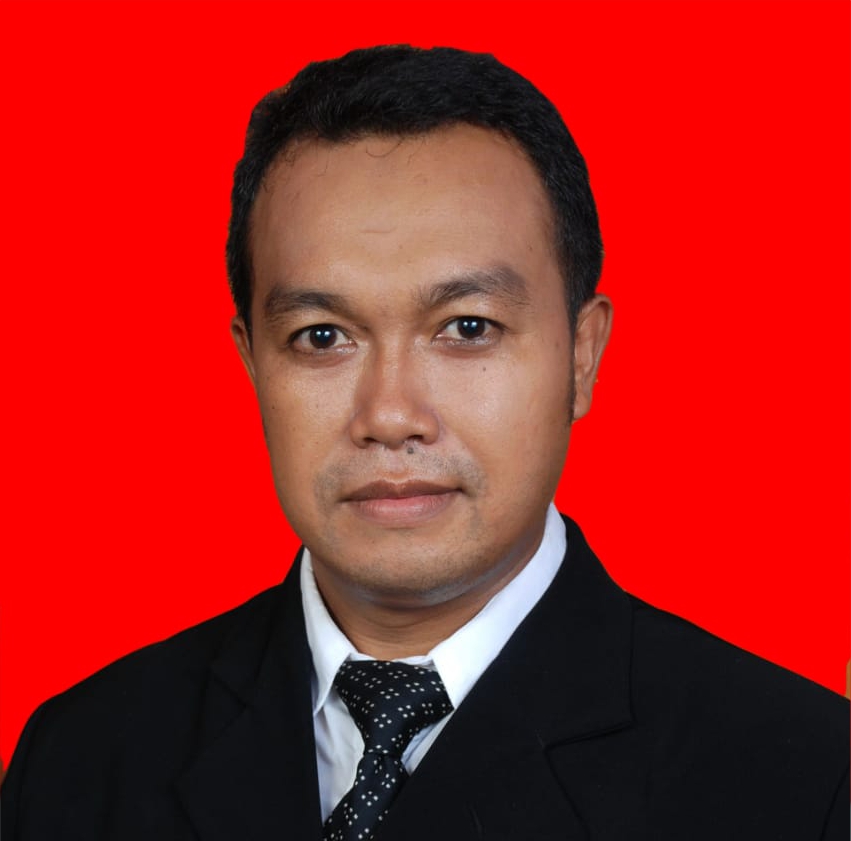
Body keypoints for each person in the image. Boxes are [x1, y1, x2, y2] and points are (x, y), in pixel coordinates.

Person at [1, 45, 847, 841]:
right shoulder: (79, 759)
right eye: (322, 337)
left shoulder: (805, 780)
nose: (390, 413)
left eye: (467, 327)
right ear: (252, 362)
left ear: (580, 356)